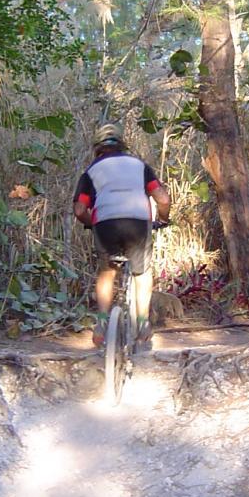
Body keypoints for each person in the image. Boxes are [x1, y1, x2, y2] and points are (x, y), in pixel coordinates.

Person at [73, 122, 171, 348]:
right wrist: (163, 219)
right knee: (142, 272)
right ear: (122, 146)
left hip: (105, 223)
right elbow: (163, 199)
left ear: (97, 148)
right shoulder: (139, 166)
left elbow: (79, 210)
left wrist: (92, 224)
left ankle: (101, 323)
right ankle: (144, 323)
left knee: (107, 271)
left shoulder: (90, 172)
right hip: (138, 223)